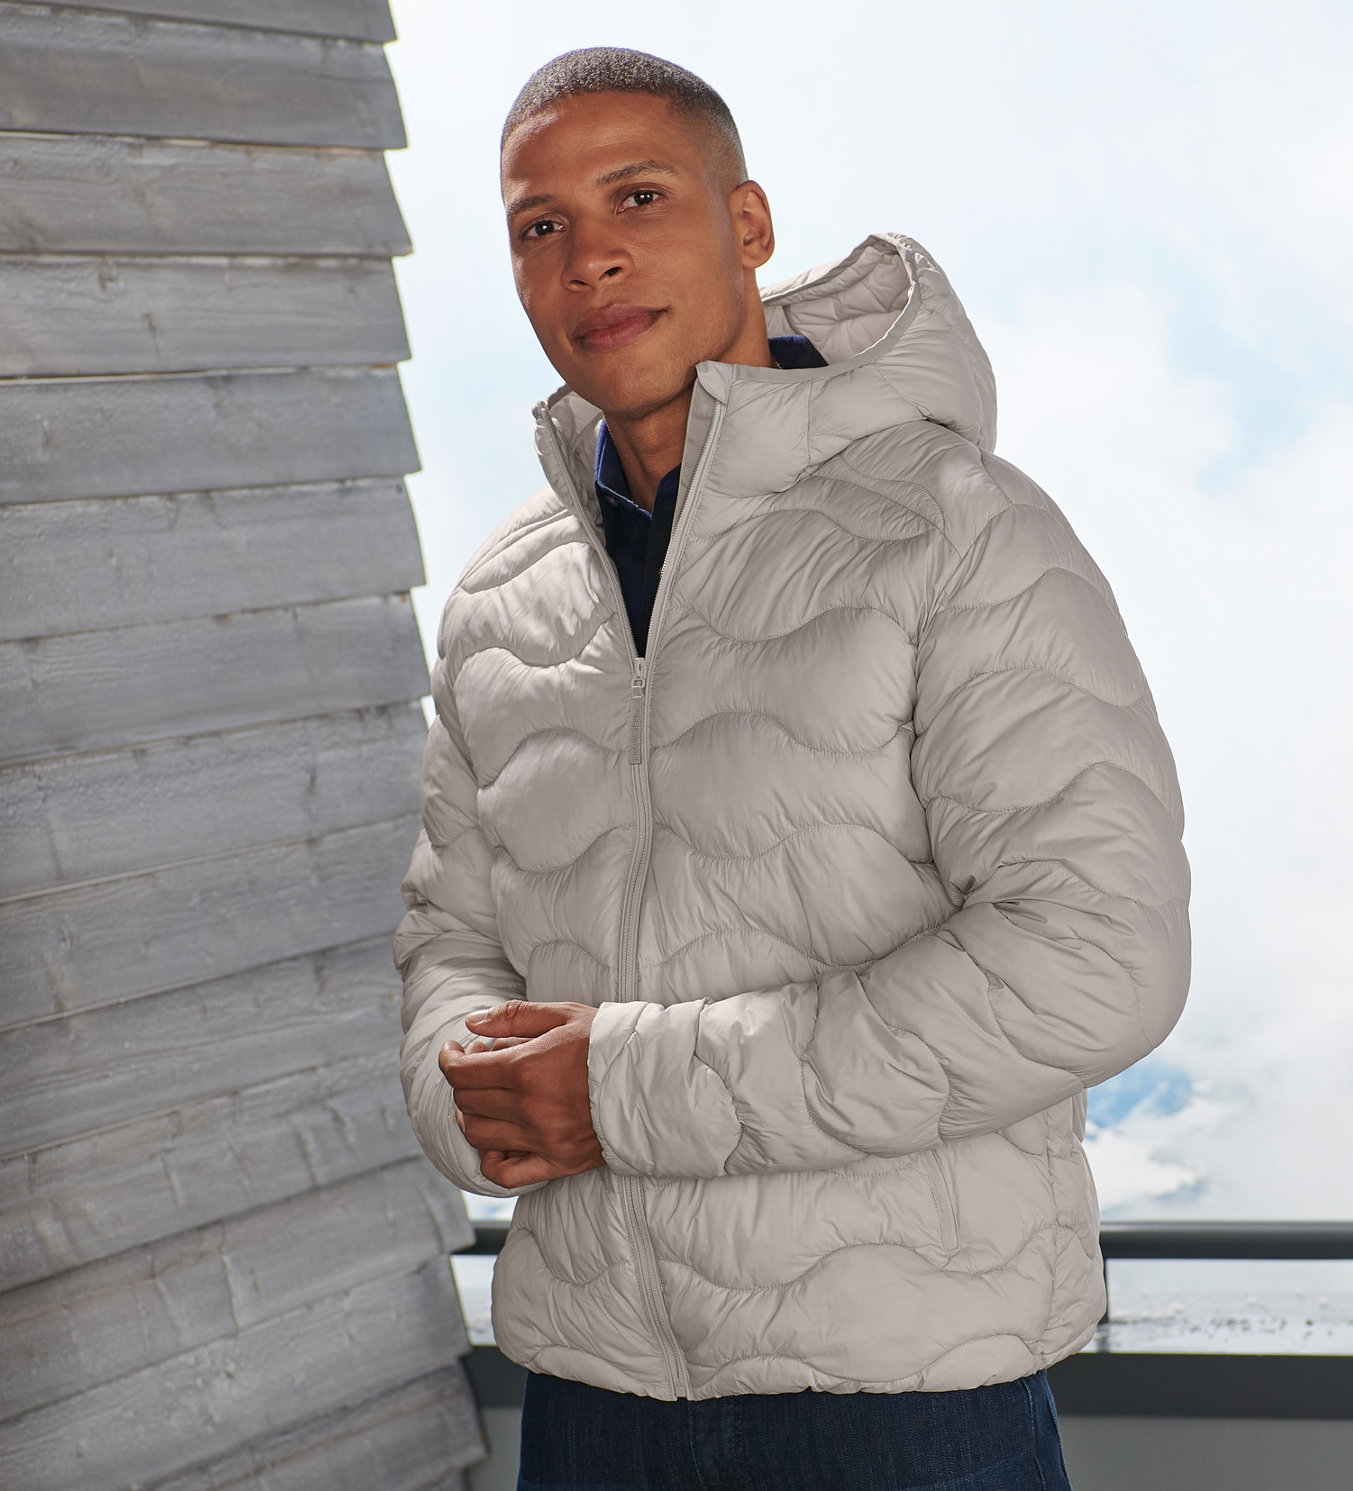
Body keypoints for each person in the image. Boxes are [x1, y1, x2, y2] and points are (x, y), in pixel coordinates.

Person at [395, 46, 1190, 1491]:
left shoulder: (955, 528)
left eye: (635, 195)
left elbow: (1095, 956)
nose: (588, 259)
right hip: (592, 1391)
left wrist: (622, 1094)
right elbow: (450, 937)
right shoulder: (503, 600)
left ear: (745, 224)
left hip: (898, 1399)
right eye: (538, 225)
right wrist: (462, 1084)